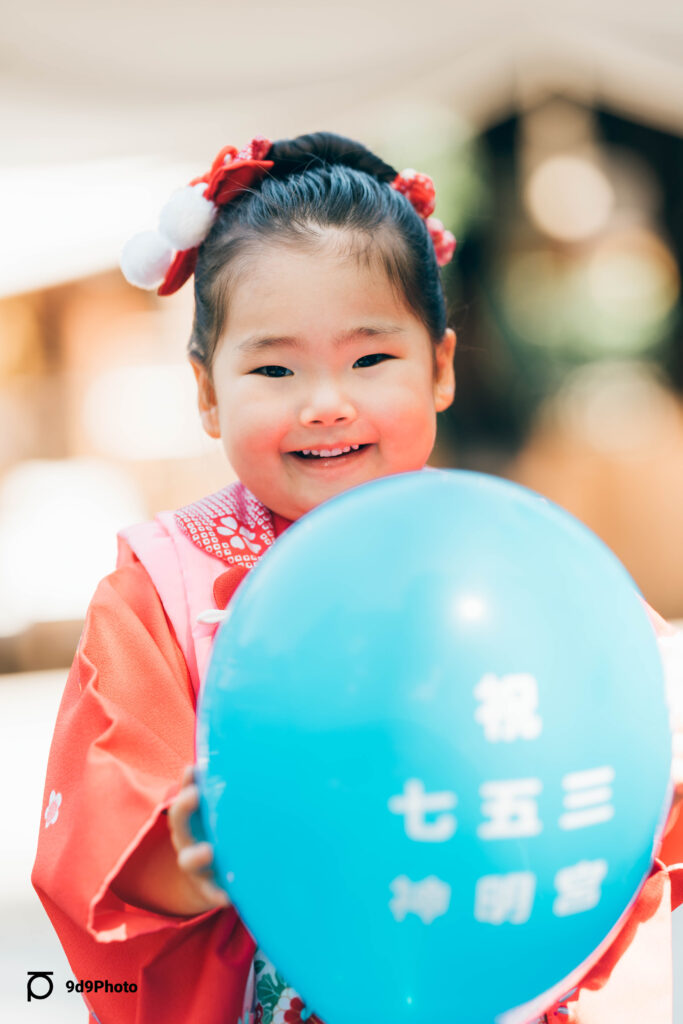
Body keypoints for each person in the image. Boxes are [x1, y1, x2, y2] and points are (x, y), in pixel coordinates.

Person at [32, 132, 682, 1024]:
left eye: (370, 359)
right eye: (273, 368)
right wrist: (192, 858)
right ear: (207, 391)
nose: (325, 401)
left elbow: (649, 721)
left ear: (441, 366)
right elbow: (103, 847)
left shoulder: (513, 558)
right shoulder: (163, 585)